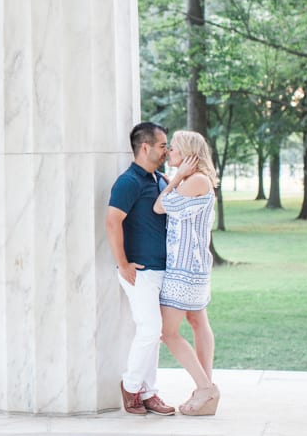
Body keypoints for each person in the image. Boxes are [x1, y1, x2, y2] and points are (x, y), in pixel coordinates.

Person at [105, 122, 175, 416]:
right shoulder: (128, 181)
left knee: (154, 334)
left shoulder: (159, 179)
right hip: (139, 271)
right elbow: (112, 221)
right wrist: (123, 264)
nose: (167, 151)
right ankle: (131, 387)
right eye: (163, 146)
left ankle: (149, 392)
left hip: (161, 270)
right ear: (144, 147)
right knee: (150, 330)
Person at [153, 130, 220, 416]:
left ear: (190, 155)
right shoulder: (196, 181)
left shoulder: (195, 180)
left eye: (174, 149)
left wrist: (177, 177)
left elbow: (159, 206)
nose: (169, 153)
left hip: (184, 268)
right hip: (194, 265)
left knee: (166, 332)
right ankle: (204, 390)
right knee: (196, 321)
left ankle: (205, 388)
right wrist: (176, 179)